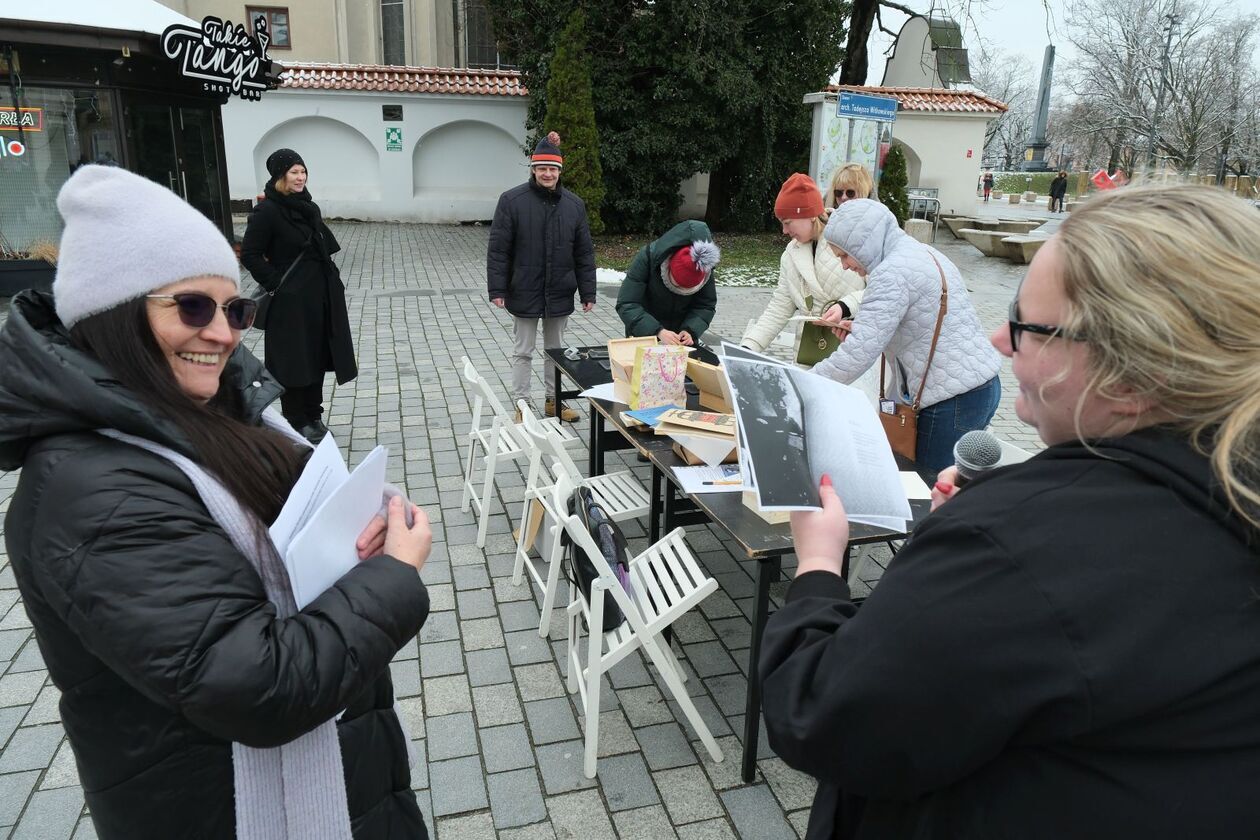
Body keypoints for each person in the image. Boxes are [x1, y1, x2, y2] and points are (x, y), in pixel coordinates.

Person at [759, 183, 1260, 839]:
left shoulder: (1018, 552)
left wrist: (821, 563)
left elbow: (821, 713)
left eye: (1026, 325)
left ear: (1138, 373)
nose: (999, 339)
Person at [0, 165, 432, 839]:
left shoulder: (212, 415)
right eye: (192, 307)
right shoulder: (88, 488)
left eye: (236, 309)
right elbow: (256, 685)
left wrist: (352, 523)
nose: (224, 333)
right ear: (114, 315)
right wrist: (393, 577)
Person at [812, 199, 1001, 471]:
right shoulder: (923, 253)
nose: (844, 266)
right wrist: (864, 331)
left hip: (950, 400)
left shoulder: (890, 273)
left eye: (844, 255)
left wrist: (805, 383)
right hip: (980, 386)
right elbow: (921, 322)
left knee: (928, 493)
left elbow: (857, 355)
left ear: (863, 244)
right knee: (957, 486)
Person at [240, 148, 357, 444]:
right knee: (294, 361)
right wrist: (277, 283)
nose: (300, 176)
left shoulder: (307, 207)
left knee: (316, 356)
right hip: (288, 302)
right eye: (294, 172)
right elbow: (251, 254)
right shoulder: (267, 212)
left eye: (303, 171)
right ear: (280, 176)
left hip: (319, 298)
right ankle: (297, 419)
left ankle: (314, 414)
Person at [487, 131, 597, 422]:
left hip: (560, 290)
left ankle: (554, 401)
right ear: (533, 169)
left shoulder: (574, 205)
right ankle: (521, 405)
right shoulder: (512, 201)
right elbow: (499, 249)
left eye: (553, 169)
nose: (547, 174)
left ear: (560, 171)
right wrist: (497, 288)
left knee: (556, 352)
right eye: (542, 168)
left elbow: (584, 253)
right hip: (523, 289)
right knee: (523, 351)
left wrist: (588, 292)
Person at [741, 173, 864, 355]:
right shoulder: (790, 255)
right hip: (810, 351)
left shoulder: (854, 237)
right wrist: (749, 347)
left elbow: (884, 289)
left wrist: (845, 306)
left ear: (809, 215)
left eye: (788, 222)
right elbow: (779, 308)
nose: (784, 231)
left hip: (854, 348)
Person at [615, 219, 719, 346]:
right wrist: (657, 331)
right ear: (669, 267)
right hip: (643, 336)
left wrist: (690, 330)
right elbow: (627, 303)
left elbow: (705, 305)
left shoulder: (703, 266)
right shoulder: (648, 257)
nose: (681, 290)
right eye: (677, 284)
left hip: (679, 344)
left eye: (688, 290)